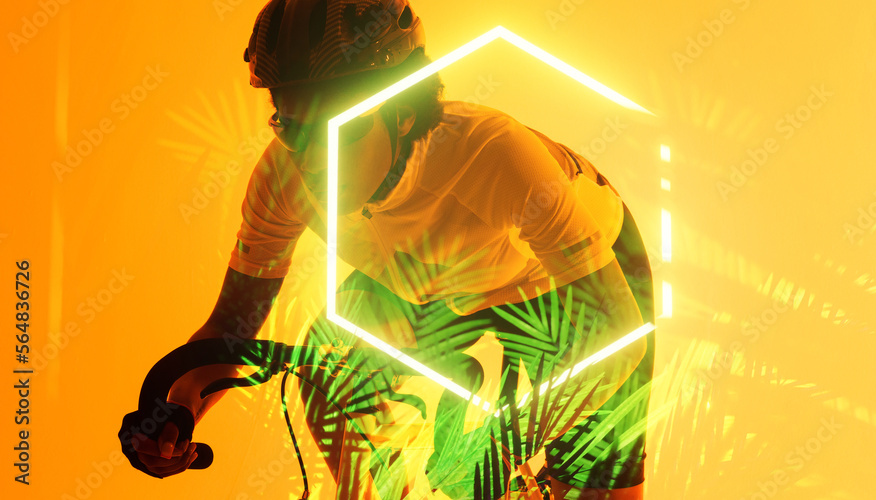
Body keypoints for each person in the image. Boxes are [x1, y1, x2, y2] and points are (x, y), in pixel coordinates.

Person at [121, 1, 655, 498]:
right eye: (292, 127)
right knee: (327, 377)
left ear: (401, 108)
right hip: (428, 279)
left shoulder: (494, 153)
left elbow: (617, 337)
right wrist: (176, 413)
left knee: (595, 475)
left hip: (563, 286)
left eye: (342, 132)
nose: (314, 161)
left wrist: (497, 452)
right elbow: (230, 331)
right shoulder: (280, 177)